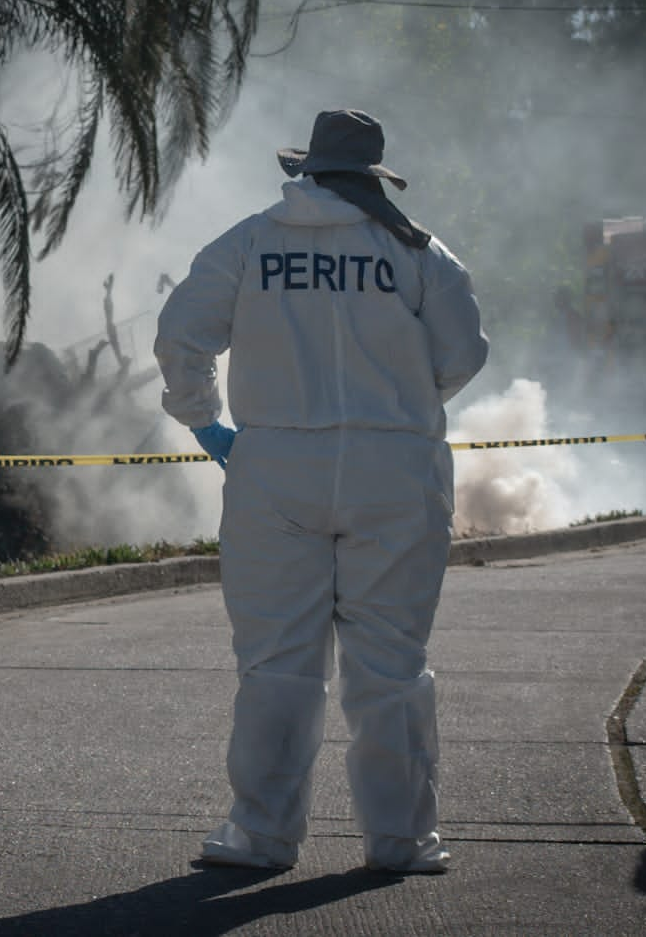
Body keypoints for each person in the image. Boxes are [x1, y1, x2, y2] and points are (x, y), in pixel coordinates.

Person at [154, 108, 488, 873]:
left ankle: (262, 834)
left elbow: (181, 336)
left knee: (276, 659)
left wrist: (209, 426)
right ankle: (401, 840)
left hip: (275, 467)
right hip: (396, 471)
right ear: (372, 176)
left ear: (304, 170)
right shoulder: (419, 251)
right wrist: (399, 398)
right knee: (392, 662)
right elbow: (464, 354)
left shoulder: (249, 241)